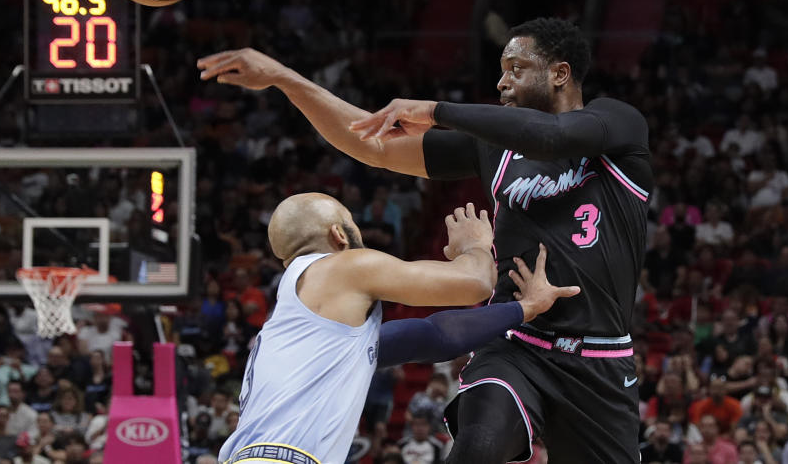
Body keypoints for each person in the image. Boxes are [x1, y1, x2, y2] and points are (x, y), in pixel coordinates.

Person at [200, 17, 652, 463]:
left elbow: (553, 137)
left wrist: (435, 110)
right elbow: (369, 142)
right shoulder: (494, 149)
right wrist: (285, 80)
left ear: (560, 74)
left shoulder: (617, 125)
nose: (501, 83)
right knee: (477, 446)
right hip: (518, 343)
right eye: (500, 70)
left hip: (600, 356)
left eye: (515, 69)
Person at [217, 193, 580, 464]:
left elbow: (431, 338)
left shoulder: (301, 331)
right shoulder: (339, 266)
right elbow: (474, 282)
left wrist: (523, 309)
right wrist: (476, 246)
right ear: (340, 236)